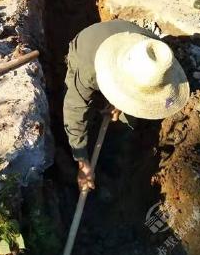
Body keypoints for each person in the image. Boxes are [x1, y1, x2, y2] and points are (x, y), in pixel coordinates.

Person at [63, 20, 190, 192]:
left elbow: (138, 84)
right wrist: (82, 162)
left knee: (126, 123)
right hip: (88, 46)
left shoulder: (158, 58)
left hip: (125, 44)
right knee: (81, 107)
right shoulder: (87, 70)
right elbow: (74, 111)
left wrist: (120, 103)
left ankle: (113, 162)